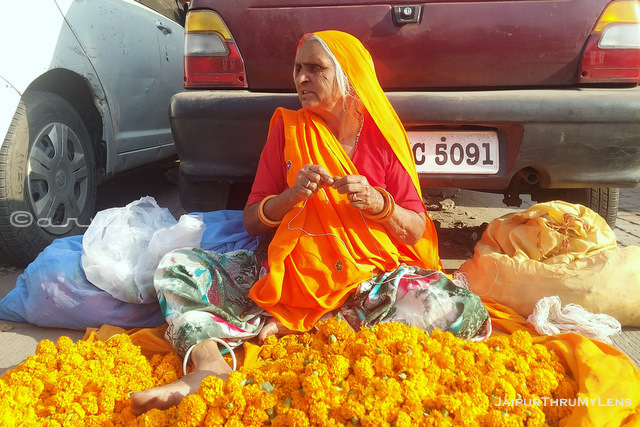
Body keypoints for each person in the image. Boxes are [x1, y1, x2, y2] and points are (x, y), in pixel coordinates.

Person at [131, 30, 490, 415]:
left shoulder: (383, 136)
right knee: (176, 267)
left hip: (362, 284)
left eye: (315, 69)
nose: (301, 78)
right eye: (298, 68)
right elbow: (252, 221)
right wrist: (290, 198)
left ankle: (321, 324)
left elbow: (416, 227)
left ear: (346, 75)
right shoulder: (287, 128)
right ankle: (209, 366)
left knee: (460, 306)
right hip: (286, 278)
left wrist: (378, 202)